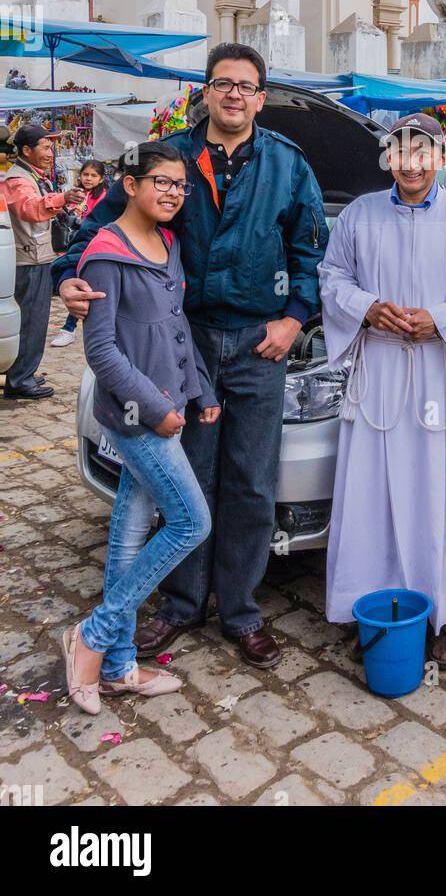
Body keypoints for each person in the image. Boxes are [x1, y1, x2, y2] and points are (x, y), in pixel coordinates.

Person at [55, 43, 328, 670]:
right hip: (186, 345)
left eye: (247, 86)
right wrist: (69, 275)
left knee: (252, 482)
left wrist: (293, 320)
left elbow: (312, 255)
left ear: (262, 97)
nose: (234, 94)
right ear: (205, 91)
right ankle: (180, 605)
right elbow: (101, 224)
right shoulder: (166, 158)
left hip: (262, 344)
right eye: (223, 83)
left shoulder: (289, 166)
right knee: (187, 480)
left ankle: (241, 611)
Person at [319, 113, 446, 669]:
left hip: (439, 374)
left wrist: (441, 320)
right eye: (400, 152)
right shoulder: (359, 215)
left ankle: (445, 616)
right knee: (371, 497)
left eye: (421, 152)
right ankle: (371, 609)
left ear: (440, 159)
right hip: (378, 373)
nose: (411, 163)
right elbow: (332, 277)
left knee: (441, 495)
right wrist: (365, 308)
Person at [62, 143, 220, 715]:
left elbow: (176, 328)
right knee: (191, 522)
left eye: (180, 184)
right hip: (138, 418)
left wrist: (199, 389)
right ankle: (94, 635)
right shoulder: (106, 254)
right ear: (129, 184)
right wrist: (157, 409)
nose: (173, 193)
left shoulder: (168, 243)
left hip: (172, 407)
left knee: (129, 534)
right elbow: (102, 351)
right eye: (161, 182)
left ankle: (121, 666)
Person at [1, 124, 84, 400]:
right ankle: (20, 380)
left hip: (35, 256)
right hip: (27, 260)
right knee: (31, 321)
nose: (50, 153)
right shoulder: (17, 180)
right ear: (26, 150)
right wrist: (62, 198)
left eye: (51, 147)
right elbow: (29, 209)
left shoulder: (32, 176)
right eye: (45, 147)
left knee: (34, 320)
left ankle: (23, 372)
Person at [51, 160, 109, 348]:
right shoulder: (76, 194)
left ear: (101, 178)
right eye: (85, 174)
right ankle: (69, 329)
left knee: (83, 287)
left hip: (93, 248)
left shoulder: (105, 199)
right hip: (75, 245)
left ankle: (69, 329)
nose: (88, 178)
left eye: (93, 175)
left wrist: (77, 222)